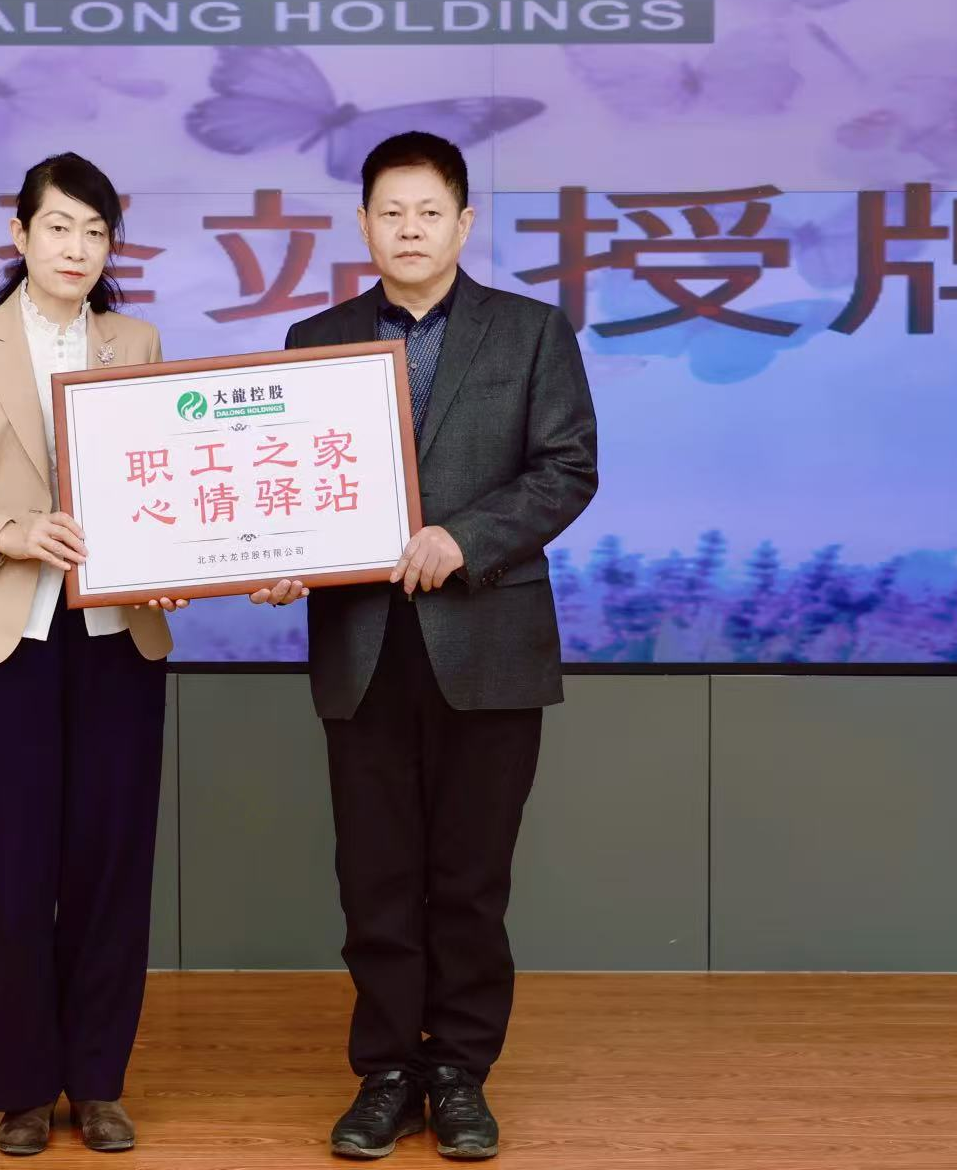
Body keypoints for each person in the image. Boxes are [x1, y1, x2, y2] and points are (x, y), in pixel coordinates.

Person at [252, 131, 598, 1160]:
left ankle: (460, 1075)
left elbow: (567, 468)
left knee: (471, 879)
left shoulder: (531, 331)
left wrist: (464, 539)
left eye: (429, 212)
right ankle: (386, 1072)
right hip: (362, 647)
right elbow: (288, 485)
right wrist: (280, 558)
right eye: (390, 212)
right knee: (376, 878)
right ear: (363, 223)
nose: (410, 229)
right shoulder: (315, 339)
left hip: (488, 639)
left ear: (464, 222)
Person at [0, 152, 186, 1156]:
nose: (77, 248)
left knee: (112, 868)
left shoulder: (135, 341)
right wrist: (7, 532)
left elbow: (164, 482)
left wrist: (175, 558)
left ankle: (97, 1083)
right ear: (19, 234)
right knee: (13, 869)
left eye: (96, 232)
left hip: (117, 638)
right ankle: (21, 1088)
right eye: (59, 226)